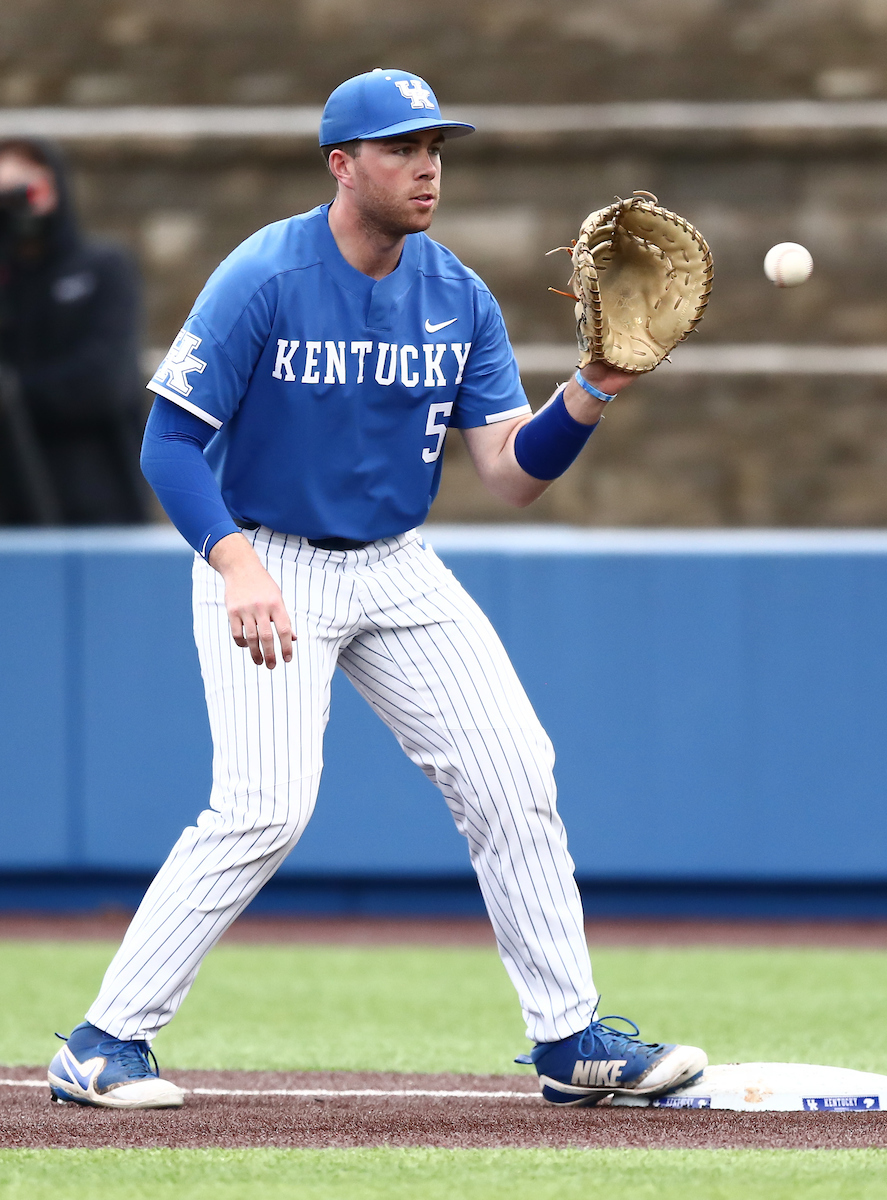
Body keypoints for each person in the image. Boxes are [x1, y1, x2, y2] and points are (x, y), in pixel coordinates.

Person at [47, 69, 707, 1111]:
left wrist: (592, 389)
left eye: (435, 147)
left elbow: (511, 473)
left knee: (514, 775)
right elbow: (168, 443)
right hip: (269, 553)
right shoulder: (265, 275)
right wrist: (234, 563)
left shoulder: (458, 296)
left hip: (397, 564)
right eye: (402, 148)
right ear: (342, 165)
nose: (427, 167)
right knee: (264, 809)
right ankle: (102, 1042)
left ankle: (569, 1039)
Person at [0, 138, 149, 525]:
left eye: (25, 187)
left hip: (97, 503)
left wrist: (17, 393)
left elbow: (104, 382)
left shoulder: (102, 268)